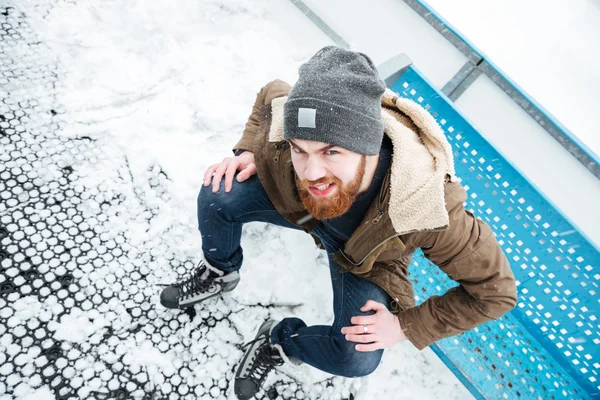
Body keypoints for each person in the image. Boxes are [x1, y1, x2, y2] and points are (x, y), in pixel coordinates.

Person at [159, 46, 517, 400]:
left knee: (356, 358)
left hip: (362, 257)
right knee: (217, 193)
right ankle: (220, 272)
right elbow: (271, 92)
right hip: (300, 213)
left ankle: (279, 342)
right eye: (299, 149)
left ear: (369, 147)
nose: (312, 173)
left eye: (331, 152)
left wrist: (406, 325)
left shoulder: (428, 205)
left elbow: (496, 291)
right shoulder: (294, 125)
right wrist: (249, 151)